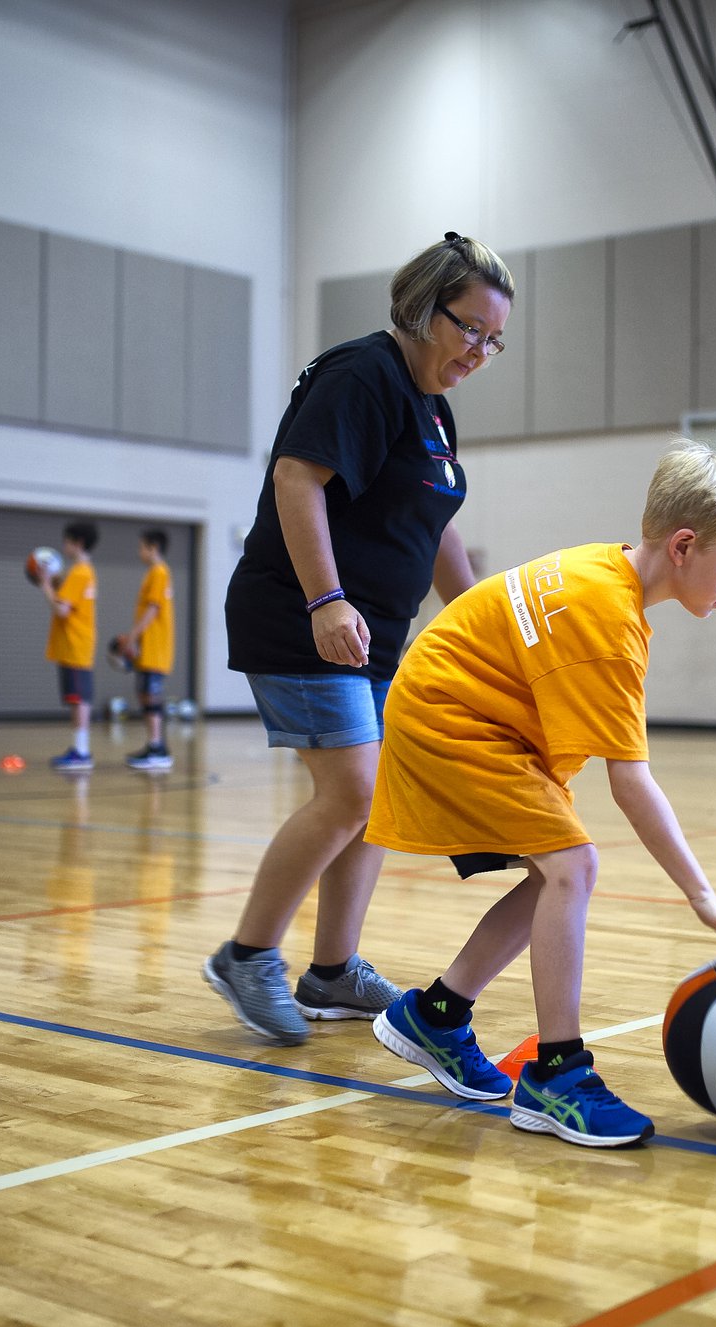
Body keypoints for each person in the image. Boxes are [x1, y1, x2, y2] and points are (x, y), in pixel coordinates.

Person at [367, 443, 716, 1149]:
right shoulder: (609, 627)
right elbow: (632, 785)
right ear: (684, 545)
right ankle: (555, 1076)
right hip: (452, 717)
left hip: (455, 703)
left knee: (554, 870)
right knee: (572, 867)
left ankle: (434, 1016)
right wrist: (702, 899)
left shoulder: (604, 567)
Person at [207, 232, 514, 1046]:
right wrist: (327, 597)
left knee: (373, 802)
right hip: (301, 615)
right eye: (468, 329)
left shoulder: (433, 408)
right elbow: (295, 479)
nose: (480, 351)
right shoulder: (363, 375)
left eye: (494, 339)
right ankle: (246, 956)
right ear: (422, 308)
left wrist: (490, 624)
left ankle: (332, 973)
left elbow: (437, 528)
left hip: (370, 635)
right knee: (350, 792)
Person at [38, 522, 99, 773]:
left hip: (75, 644)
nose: (64, 547)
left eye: (67, 541)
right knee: (78, 698)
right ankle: (80, 749)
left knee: (78, 699)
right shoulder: (84, 572)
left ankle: (81, 751)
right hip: (78, 644)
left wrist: (45, 584)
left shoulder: (80, 573)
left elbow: (62, 609)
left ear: (78, 543)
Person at [122, 528, 176, 772]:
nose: (139, 552)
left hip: (154, 648)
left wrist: (132, 637)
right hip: (149, 649)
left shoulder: (158, 572)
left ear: (153, 547)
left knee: (151, 696)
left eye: (142, 546)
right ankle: (155, 745)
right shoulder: (156, 573)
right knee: (145, 695)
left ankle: (157, 748)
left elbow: (153, 609)